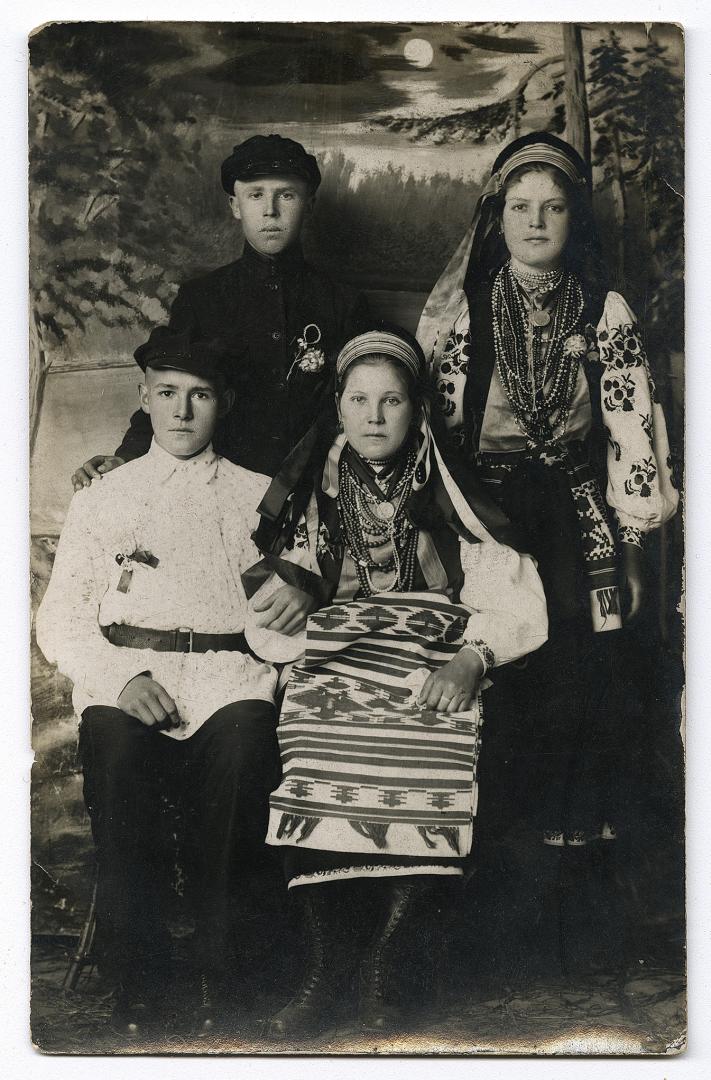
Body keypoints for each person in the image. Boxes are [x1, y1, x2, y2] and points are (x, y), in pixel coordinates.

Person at [416, 131, 679, 974]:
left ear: (573, 219)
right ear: (498, 216)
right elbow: (436, 436)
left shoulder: (603, 313)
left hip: (573, 508)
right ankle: (496, 907)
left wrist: (634, 548)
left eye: (552, 207)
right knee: (502, 663)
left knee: (596, 653)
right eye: (520, 207)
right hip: (484, 511)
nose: (535, 221)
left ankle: (593, 911)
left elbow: (631, 433)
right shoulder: (462, 311)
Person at [240, 326, 548, 1036]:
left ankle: (389, 964)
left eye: (391, 401)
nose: (374, 416)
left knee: (433, 729)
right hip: (340, 656)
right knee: (310, 729)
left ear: (416, 410)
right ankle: (327, 971)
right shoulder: (309, 492)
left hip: (432, 653)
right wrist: (294, 596)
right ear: (338, 408)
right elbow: (267, 621)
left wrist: (474, 658)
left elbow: (515, 598)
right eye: (359, 399)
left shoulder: (449, 488)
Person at [36, 327, 282, 1039]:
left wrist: (284, 619)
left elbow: (274, 621)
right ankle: (140, 976)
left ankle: (222, 968)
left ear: (223, 404)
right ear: (144, 397)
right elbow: (62, 619)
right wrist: (121, 677)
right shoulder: (103, 497)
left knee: (243, 745)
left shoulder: (256, 497)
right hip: (129, 678)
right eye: (167, 394)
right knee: (115, 750)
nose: (181, 412)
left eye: (199, 396)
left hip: (225, 676)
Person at [71, 133, 369, 484]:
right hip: (218, 483)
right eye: (255, 195)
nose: (270, 210)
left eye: (286, 195)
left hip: (317, 484)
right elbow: (168, 388)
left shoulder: (343, 302)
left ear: (309, 204)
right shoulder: (202, 298)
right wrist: (125, 458)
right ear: (235, 205)